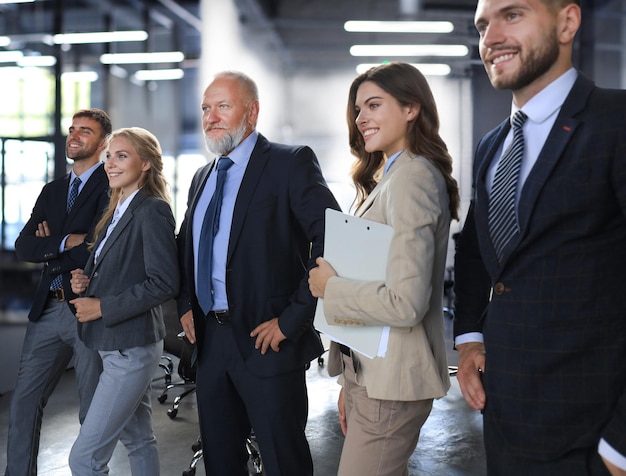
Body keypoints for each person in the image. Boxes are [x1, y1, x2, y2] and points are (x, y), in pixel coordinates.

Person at [453, 1, 626, 475]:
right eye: (483, 25)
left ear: (567, 23)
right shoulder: (493, 145)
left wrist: (620, 447)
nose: (490, 38)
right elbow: (472, 250)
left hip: (594, 432)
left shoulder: (616, 122)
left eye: (512, 15)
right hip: (506, 418)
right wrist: (468, 340)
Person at [176, 70, 340, 476]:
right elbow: (186, 247)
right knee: (221, 462)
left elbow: (333, 237)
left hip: (267, 341)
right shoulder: (203, 176)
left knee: (284, 461)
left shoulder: (289, 162)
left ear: (252, 112)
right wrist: (184, 304)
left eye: (223, 107)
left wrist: (292, 320)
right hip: (211, 342)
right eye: (205, 108)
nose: (211, 117)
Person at [308, 62, 460, 476]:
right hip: (370, 375)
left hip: (392, 382)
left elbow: (405, 303)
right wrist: (349, 382)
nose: (360, 119)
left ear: (412, 108)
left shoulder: (412, 179)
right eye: (358, 110)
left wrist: (330, 287)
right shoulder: (386, 176)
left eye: (374, 105)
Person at [66, 127, 179, 475]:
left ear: (145, 163)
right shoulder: (116, 209)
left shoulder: (152, 210)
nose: (111, 164)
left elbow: (164, 282)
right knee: (139, 441)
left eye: (121, 156)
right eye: (109, 156)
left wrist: (102, 306)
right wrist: (84, 280)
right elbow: (114, 269)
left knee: (84, 460)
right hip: (114, 344)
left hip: (130, 349)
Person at [7, 108, 111, 476]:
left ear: (102, 143)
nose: (74, 136)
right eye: (72, 129)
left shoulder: (110, 185)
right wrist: (68, 241)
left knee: (91, 407)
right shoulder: (53, 191)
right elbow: (23, 247)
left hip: (86, 305)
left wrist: (51, 245)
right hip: (47, 309)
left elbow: (100, 247)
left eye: (85, 130)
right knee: (23, 402)